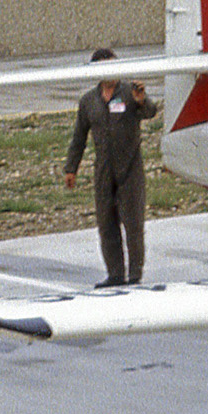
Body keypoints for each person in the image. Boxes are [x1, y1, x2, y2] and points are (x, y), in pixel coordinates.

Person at [63, 48, 157, 287]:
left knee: (134, 225)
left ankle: (134, 276)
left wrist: (141, 101)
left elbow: (151, 112)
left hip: (130, 169)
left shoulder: (130, 93)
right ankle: (115, 274)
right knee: (107, 226)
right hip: (104, 171)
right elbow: (79, 137)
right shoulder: (88, 101)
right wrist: (71, 168)